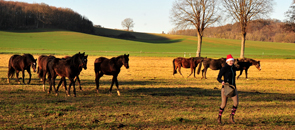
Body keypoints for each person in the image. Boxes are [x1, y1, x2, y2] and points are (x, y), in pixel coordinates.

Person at [217, 54, 238, 124]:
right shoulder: (224, 68)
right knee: (223, 104)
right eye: (230, 61)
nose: (231, 62)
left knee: (236, 103)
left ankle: (231, 117)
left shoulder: (234, 68)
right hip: (225, 88)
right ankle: (219, 117)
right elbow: (218, 77)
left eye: (232, 61)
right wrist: (221, 81)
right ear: (227, 61)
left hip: (233, 88)